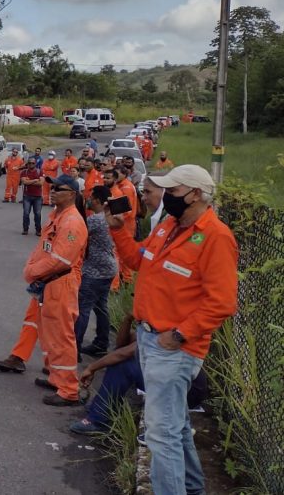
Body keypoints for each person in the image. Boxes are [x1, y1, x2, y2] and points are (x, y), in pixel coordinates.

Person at [105, 164, 237, 495]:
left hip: (175, 347)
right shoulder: (169, 225)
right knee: (174, 428)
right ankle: (192, 489)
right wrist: (119, 231)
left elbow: (221, 303)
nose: (167, 196)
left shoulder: (216, 237)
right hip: (152, 340)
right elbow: (139, 260)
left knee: (161, 434)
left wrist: (178, 335)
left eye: (173, 191)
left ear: (195, 195)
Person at [0, 174, 87, 406]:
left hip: (60, 283)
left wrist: (31, 272)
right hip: (48, 282)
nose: (53, 191)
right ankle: (57, 378)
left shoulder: (72, 222)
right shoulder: (56, 216)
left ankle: (69, 390)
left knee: (61, 336)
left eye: (59, 188)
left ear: (72, 194)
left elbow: (60, 259)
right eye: (52, 187)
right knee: (48, 333)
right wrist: (32, 267)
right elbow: (43, 249)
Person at [70, 313, 209, 437]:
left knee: (122, 366)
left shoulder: (164, 322)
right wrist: (128, 318)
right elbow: (121, 344)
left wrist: (92, 368)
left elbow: (124, 353)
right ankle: (103, 406)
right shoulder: (150, 323)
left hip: (188, 392)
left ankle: (99, 420)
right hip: (171, 382)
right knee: (121, 360)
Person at [75, 187, 119, 359]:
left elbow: (79, 235)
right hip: (108, 269)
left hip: (94, 271)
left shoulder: (96, 220)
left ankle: (74, 348)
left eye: (92, 198)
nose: (89, 200)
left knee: (83, 309)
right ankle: (101, 343)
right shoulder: (110, 218)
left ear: (99, 201)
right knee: (101, 308)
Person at [20, 160, 44, 236]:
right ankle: (25, 229)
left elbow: (41, 183)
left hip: (38, 197)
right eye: (29, 163)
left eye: (33, 163)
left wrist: (29, 181)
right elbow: (24, 182)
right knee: (26, 213)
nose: (31, 164)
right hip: (27, 196)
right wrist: (34, 180)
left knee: (38, 214)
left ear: (35, 164)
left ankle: (38, 230)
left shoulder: (39, 171)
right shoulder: (24, 172)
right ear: (27, 164)